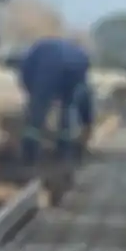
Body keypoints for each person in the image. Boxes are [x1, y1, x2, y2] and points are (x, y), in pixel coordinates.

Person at [17, 36, 95, 164]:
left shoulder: (32, 60)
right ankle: (64, 149)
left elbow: (30, 85)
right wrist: (87, 122)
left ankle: (29, 153)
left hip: (48, 64)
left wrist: (35, 103)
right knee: (68, 106)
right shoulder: (77, 53)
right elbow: (84, 96)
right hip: (77, 64)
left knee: (36, 113)